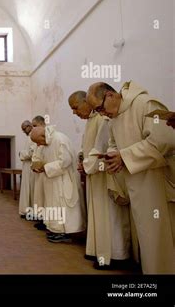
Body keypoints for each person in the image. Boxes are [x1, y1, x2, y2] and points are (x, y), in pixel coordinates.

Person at [86, 81, 174, 274]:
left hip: (158, 184)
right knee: (148, 240)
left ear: (109, 94)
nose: (101, 114)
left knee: (161, 240)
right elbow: (113, 144)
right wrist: (113, 157)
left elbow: (164, 140)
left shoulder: (146, 104)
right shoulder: (114, 119)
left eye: (100, 108)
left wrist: (124, 157)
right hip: (137, 187)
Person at [68, 91, 131, 269]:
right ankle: (98, 250)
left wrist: (87, 164)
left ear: (87, 102)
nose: (74, 112)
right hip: (94, 174)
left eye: (75, 107)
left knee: (110, 216)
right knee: (97, 215)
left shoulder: (103, 120)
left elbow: (102, 148)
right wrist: (83, 160)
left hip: (106, 175)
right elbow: (88, 148)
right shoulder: (91, 120)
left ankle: (117, 255)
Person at [30, 126, 86, 242]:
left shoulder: (60, 139)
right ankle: (56, 230)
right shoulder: (46, 143)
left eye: (38, 142)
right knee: (53, 206)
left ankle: (66, 233)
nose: (39, 145)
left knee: (63, 207)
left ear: (43, 136)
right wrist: (39, 166)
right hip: (51, 181)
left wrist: (45, 168)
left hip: (63, 181)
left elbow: (65, 162)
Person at [31, 116, 46, 230]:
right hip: (38, 172)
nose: (33, 128)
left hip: (45, 172)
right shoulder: (36, 137)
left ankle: (45, 220)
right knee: (39, 196)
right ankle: (40, 218)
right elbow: (35, 154)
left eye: (35, 125)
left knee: (44, 197)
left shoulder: (46, 136)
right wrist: (34, 164)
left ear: (41, 124)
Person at [18, 120, 35, 218]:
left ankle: (29, 211)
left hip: (31, 167)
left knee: (30, 189)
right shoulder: (30, 137)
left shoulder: (34, 136)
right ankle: (26, 210)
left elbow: (32, 152)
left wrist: (21, 154)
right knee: (26, 189)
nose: (24, 131)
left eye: (24, 129)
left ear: (29, 126)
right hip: (27, 166)